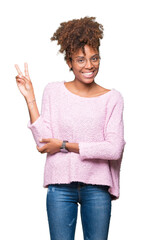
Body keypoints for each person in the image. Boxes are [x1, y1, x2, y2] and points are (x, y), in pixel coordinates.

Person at [15, 16, 126, 240]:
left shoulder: (112, 98)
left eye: (94, 58)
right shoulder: (53, 91)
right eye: (81, 60)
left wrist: (65, 145)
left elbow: (113, 149)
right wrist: (30, 98)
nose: (89, 66)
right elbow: (44, 143)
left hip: (97, 186)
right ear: (69, 62)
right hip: (60, 186)